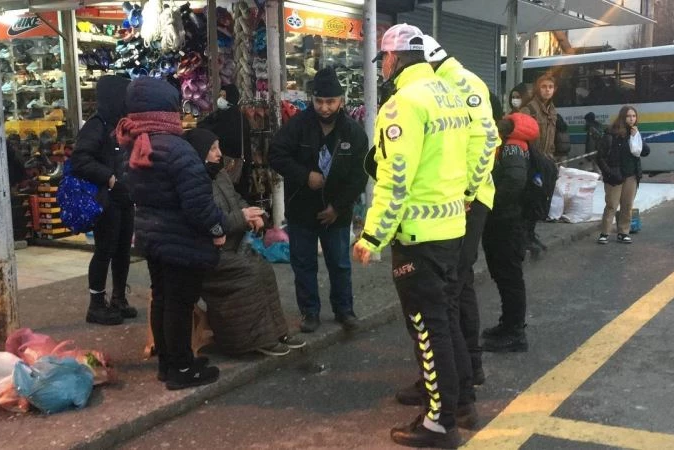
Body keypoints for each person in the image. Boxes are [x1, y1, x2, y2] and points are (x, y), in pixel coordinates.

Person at [353, 23, 477, 449]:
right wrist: (467, 197)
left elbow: (395, 179)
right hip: (451, 228)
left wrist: (372, 236)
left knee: (428, 330)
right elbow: (475, 153)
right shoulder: (450, 95)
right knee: (446, 320)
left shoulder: (403, 105)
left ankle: (440, 423)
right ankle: (462, 402)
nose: (383, 68)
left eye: (383, 60)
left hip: (418, 236)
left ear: (392, 58)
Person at [119, 77, 226, 390]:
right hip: (181, 239)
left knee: (163, 298)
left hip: (152, 236)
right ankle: (181, 368)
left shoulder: (134, 144)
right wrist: (217, 228)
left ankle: (168, 363)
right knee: (179, 303)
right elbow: (198, 204)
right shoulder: (177, 149)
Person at [415, 34, 499, 390]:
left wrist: (467, 193)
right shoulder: (443, 83)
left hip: (466, 200)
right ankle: (463, 370)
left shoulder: (461, 82)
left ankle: (459, 375)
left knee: (451, 286)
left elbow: (487, 141)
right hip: (455, 199)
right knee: (454, 284)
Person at [184, 128, 306, 357]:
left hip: (230, 247)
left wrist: (254, 214)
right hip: (208, 254)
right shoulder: (194, 183)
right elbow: (208, 220)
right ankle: (250, 340)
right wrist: (243, 218)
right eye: (212, 149)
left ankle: (276, 332)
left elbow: (237, 200)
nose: (219, 153)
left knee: (264, 269)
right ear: (199, 152)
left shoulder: (219, 175)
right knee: (248, 274)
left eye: (218, 147)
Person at [269, 67, 369, 334]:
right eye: (319, 101)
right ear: (312, 100)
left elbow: (360, 175)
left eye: (331, 102)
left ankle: (344, 310)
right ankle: (309, 312)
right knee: (303, 265)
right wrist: (305, 176)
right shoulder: (297, 126)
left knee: (340, 264)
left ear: (341, 101)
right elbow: (276, 155)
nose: (325, 108)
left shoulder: (353, 133)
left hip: (337, 212)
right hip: (301, 209)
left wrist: (338, 207)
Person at [71, 75, 137, 326]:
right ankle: (96, 304)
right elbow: (80, 160)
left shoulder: (121, 124)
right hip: (105, 199)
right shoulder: (96, 125)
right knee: (105, 250)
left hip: (123, 197)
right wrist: (109, 178)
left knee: (122, 250)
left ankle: (119, 298)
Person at [480, 113, 539, 353]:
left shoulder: (512, 147)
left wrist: (491, 203)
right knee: (504, 275)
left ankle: (515, 333)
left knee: (509, 277)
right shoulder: (512, 145)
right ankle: (508, 324)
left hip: (508, 222)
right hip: (506, 221)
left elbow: (514, 181)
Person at [596, 105, 650, 244]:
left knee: (627, 205)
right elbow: (600, 157)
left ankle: (623, 232)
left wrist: (637, 136)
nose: (631, 119)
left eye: (634, 116)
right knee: (611, 205)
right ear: (622, 117)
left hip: (631, 175)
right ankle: (605, 233)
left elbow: (645, 151)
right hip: (615, 176)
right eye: (628, 116)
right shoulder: (611, 134)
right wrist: (609, 172)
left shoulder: (635, 133)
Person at [521, 74, 558, 256]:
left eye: (550, 87)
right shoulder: (529, 109)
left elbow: (552, 137)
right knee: (530, 200)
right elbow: (523, 135)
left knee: (541, 199)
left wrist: (551, 159)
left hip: (546, 162)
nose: (547, 90)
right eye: (544, 86)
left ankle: (531, 234)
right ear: (538, 88)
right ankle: (524, 238)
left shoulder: (552, 110)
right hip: (532, 162)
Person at [197, 84, 251, 197]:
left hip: (227, 165)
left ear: (231, 97)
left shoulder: (229, 117)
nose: (220, 99)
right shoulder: (231, 116)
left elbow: (206, 129)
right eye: (220, 96)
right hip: (236, 167)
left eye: (224, 96)